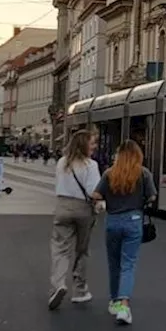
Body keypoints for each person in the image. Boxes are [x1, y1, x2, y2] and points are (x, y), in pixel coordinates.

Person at [92, 139, 157, 326]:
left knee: (114, 263)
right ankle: (124, 304)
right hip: (134, 221)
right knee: (128, 263)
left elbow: (96, 195)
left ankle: (114, 301)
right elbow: (152, 196)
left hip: (112, 221)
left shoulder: (109, 173)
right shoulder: (143, 173)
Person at [48, 129, 103, 311]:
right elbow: (93, 191)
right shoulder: (91, 165)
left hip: (63, 207)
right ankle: (79, 290)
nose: (94, 146)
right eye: (92, 143)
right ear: (84, 145)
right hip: (83, 209)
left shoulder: (63, 162)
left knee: (60, 248)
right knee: (81, 250)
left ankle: (58, 284)